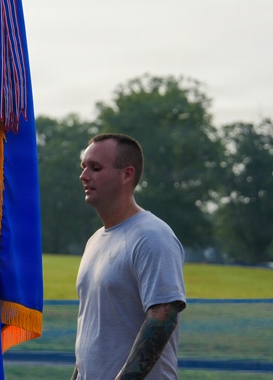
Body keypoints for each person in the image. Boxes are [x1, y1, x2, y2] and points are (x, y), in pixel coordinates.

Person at [73, 132, 187, 380]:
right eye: (84, 167)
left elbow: (163, 317)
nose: (84, 176)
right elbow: (91, 336)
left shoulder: (152, 235)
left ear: (127, 174)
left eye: (95, 168)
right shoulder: (95, 241)